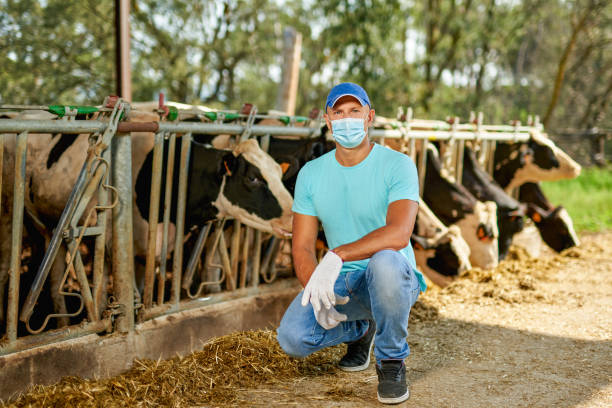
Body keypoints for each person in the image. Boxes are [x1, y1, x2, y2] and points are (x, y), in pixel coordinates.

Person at [276, 82, 427, 404]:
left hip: (392, 279)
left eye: (354, 111)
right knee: (293, 338)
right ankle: (361, 330)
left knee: (384, 261)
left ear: (369, 117)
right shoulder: (312, 174)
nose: (347, 119)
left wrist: (337, 254)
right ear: (328, 122)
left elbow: (399, 233)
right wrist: (315, 288)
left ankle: (391, 361)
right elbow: (302, 246)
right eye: (339, 113)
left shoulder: (397, 164)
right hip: (342, 279)